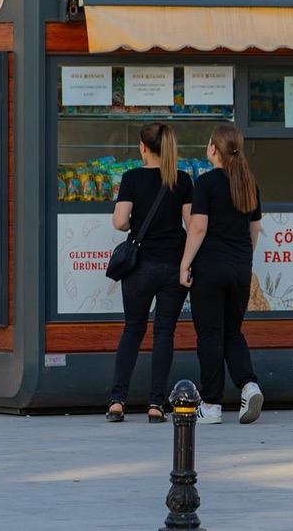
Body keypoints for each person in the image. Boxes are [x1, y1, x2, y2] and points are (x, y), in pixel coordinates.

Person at [106, 123, 194, 423]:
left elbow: (119, 222)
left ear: (143, 148)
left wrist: (134, 224)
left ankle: (117, 401)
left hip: (139, 267)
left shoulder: (131, 178)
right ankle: (156, 404)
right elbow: (192, 224)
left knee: (133, 329)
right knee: (164, 333)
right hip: (173, 265)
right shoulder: (181, 180)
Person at [179, 124, 264, 425]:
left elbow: (198, 227)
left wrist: (185, 263)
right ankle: (249, 385)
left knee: (210, 335)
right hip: (240, 267)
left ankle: (212, 404)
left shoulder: (206, 183)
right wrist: (242, 259)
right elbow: (255, 231)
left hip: (210, 268)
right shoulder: (249, 183)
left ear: (213, 149)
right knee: (232, 331)